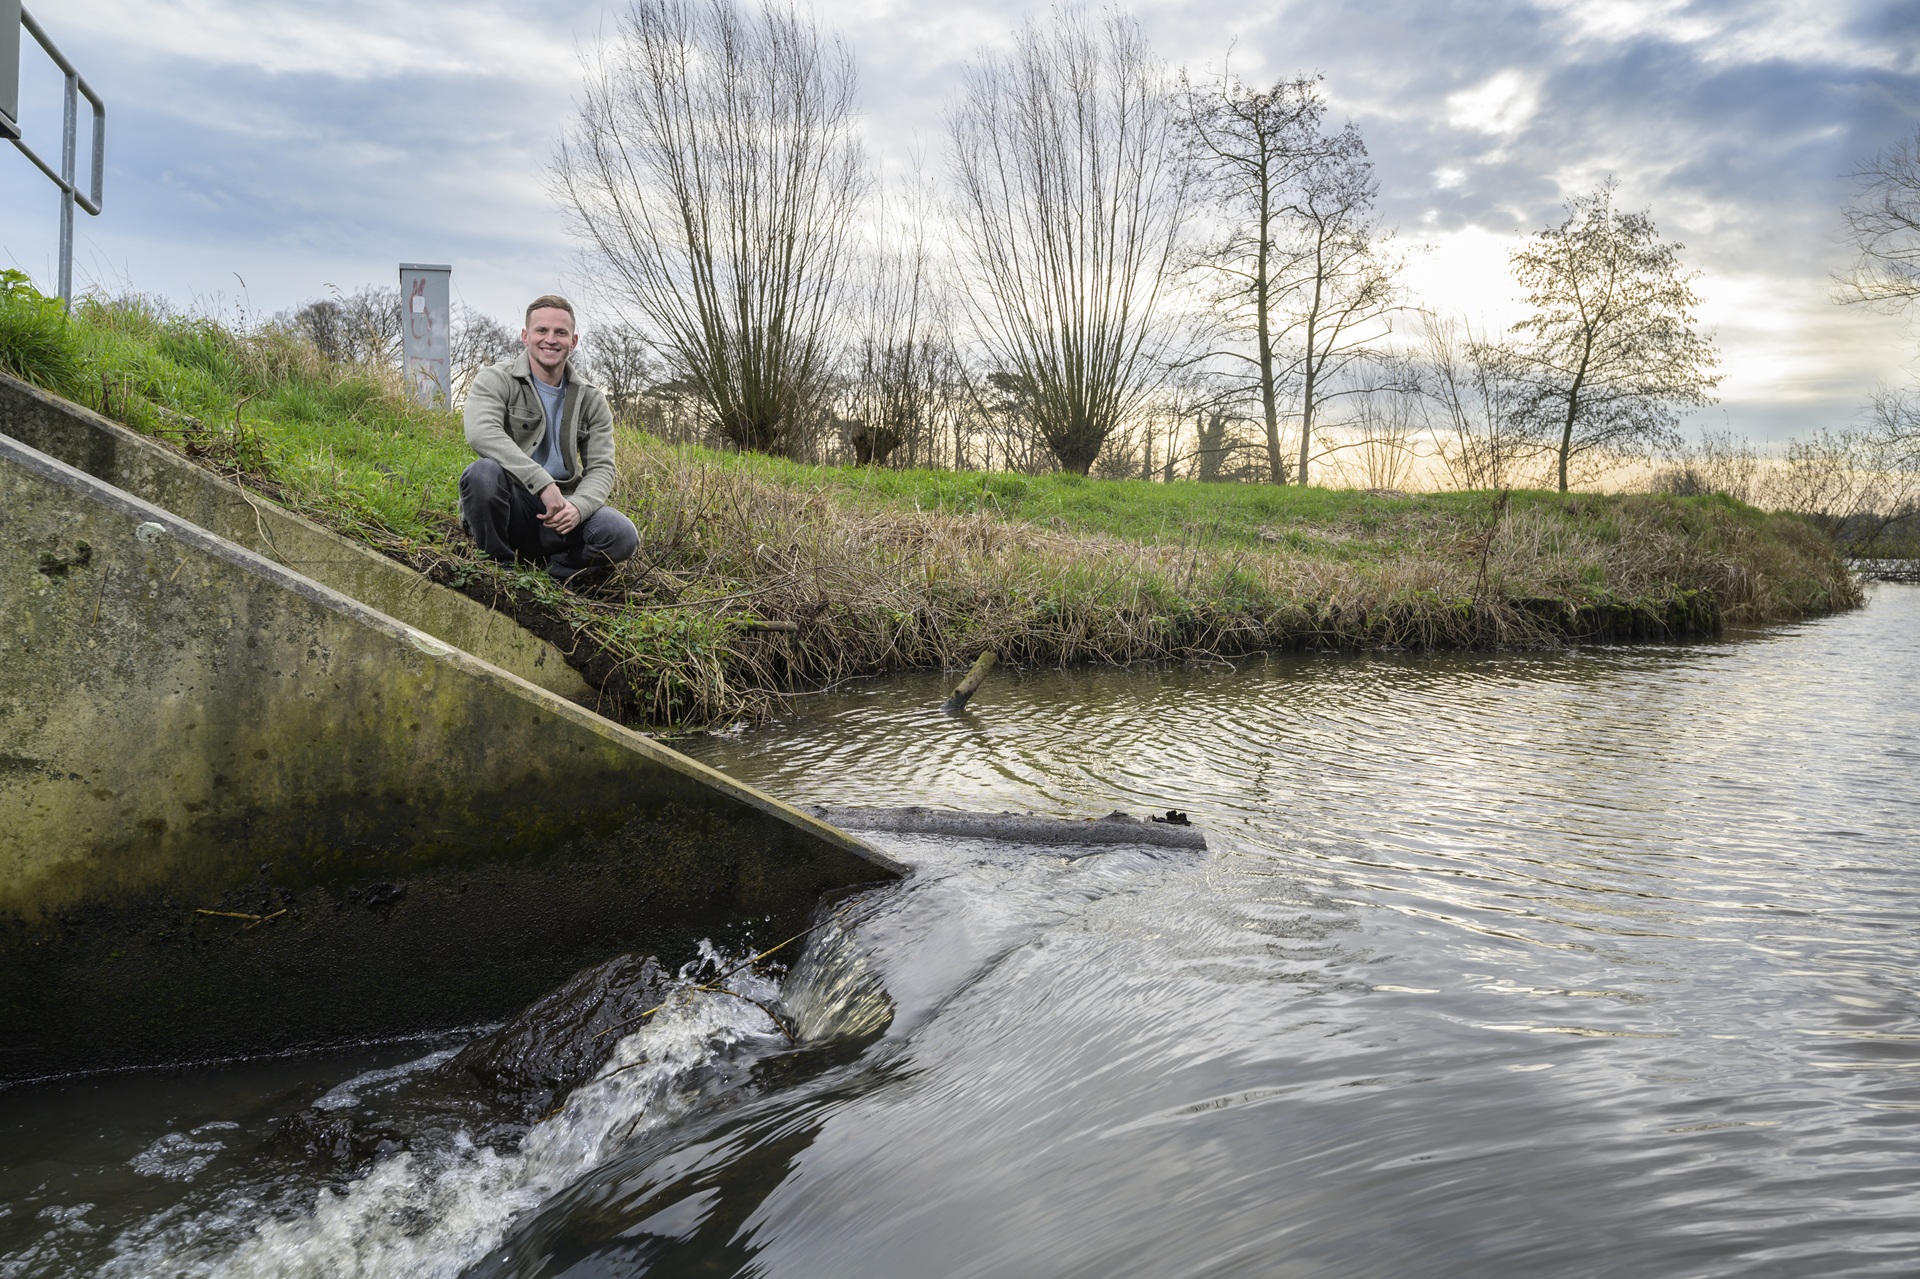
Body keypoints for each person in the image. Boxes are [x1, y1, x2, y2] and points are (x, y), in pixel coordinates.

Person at [459, 295, 638, 586]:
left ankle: (548, 576)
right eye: (542, 331)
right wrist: (541, 482)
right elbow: (482, 433)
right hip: (512, 503)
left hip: (560, 513)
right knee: (482, 474)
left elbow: (602, 468)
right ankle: (497, 567)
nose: (550, 340)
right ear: (525, 336)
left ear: (574, 340)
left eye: (560, 333)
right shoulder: (495, 379)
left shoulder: (592, 399)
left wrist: (578, 506)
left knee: (621, 533)